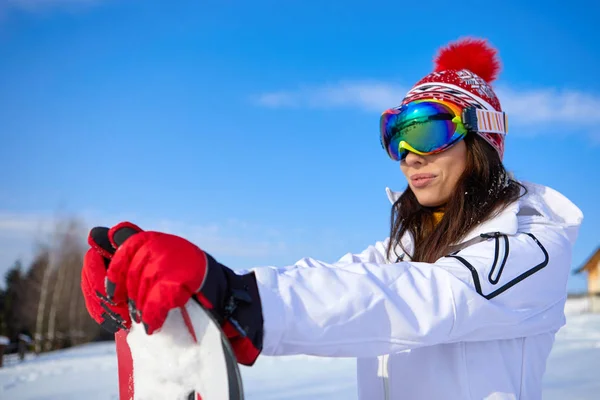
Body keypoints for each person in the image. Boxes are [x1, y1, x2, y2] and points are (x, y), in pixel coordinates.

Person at [81, 37, 583, 399]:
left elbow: (422, 299)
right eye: (394, 135)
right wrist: (181, 287)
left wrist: (241, 299)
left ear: (480, 141)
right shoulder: (402, 251)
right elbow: (340, 286)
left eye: (426, 133)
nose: (408, 155)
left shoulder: (532, 245)